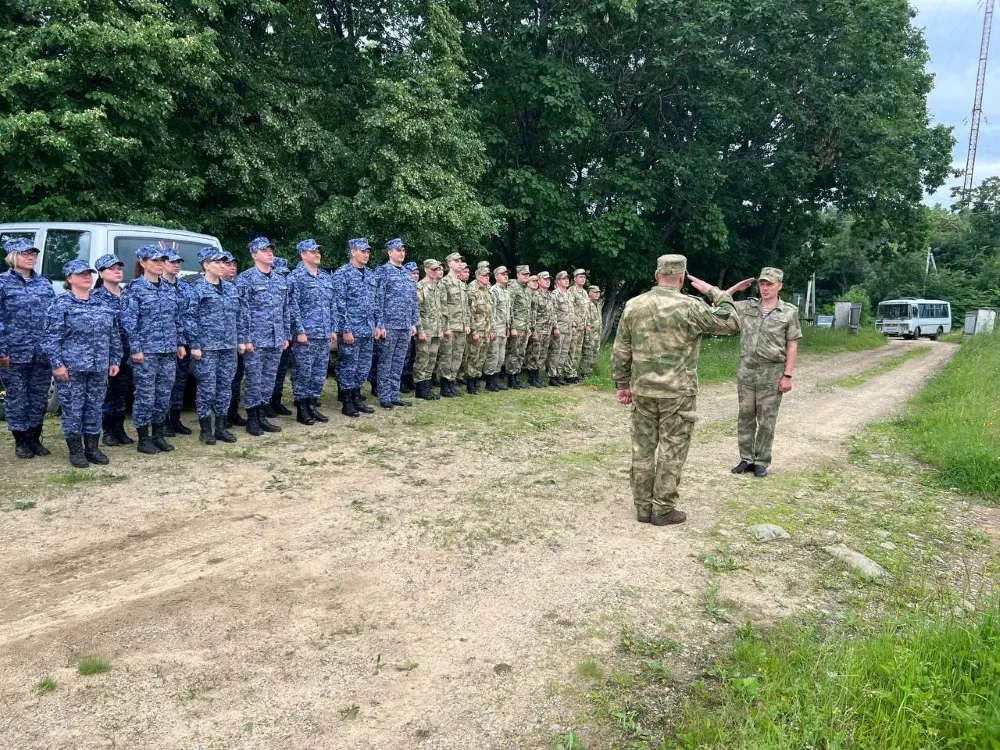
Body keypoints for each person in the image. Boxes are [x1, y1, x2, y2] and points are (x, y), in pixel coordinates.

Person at [612, 254, 741, 526]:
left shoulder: (634, 305)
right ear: (682, 277)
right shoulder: (690, 306)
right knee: (672, 451)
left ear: (656, 274)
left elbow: (621, 350)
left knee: (642, 450)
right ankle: (662, 509)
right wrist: (716, 293)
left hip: (644, 392)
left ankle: (643, 508)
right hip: (678, 393)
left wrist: (622, 384)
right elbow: (730, 322)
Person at [43, 259, 122, 468]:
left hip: (98, 367)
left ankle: (93, 448)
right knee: (73, 409)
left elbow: (113, 335)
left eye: (89, 273)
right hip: (72, 368)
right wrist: (57, 365)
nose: (87, 277)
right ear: (70, 279)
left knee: (95, 407)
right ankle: (76, 451)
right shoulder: (61, 304)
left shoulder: (102, 304)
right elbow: (51, 338)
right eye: (81, 274)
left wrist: (114, 359)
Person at [727, 267, 801, 478]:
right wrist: (735, 288)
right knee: (745, 416)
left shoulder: (788, 312)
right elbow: (720, 304)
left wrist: (787, 375)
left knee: (767, 419)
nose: (765, 288)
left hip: (772, 371)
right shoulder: (748, 307)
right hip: (747, 370)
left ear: (780, 286)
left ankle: (761, 461)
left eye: (770, 284)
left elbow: (792, 345)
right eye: (762, 284)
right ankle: (746, 459)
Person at [122, 244, 186, 454]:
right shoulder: (135, 289)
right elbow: (129, 322)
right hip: (146, 352)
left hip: (167, 351)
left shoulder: (169, 289)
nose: (160, 265)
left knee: (163, 394)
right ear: (143, 262)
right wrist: (136, 349)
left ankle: (158, 434)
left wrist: (179, 343)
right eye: (155, 261)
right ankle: (143, 438)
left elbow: (176, 319)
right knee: (146, 396)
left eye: (161, 261)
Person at [0, 237, 56, 459]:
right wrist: (2, 350)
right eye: (25, 253)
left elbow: (53, 318)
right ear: (13, 256)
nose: (31, 257)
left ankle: (35, 437)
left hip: (41, 352)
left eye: (33, 253)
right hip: (14, 351)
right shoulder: (3, 283)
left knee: (39, 396)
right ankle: (21, 441)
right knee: (16, 397)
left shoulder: (44, 283)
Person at [184, 247, 246, 444]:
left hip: (228, 346)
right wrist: (194, 345)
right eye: (217, 262)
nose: (222, 266)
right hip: (207, 347)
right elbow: (190, 318)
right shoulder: (196, 289)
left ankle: (221, 426)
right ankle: (205, 429)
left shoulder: (230, 288)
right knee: (207, 388)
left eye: (224, 262)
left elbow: (240, 317)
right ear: (206, 265)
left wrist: (241, 340)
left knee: (225, 387)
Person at [237, 237, 290, 436]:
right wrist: (245, 339)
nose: (269, 253)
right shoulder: (246, 278)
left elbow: (285, 310)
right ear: (254, 255)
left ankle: (262, 416)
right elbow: (242, 311)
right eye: (264, 250)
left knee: (269, 379)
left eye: (271, 249)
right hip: (255, 339)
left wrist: (285, 334)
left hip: (276, 338)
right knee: (254, 379)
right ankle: (252, 418)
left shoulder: (279, 279)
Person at [288, 239, 335, 424]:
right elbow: (293, 307)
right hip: (306, 335)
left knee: (319, 372)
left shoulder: (324, 277)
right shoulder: (295, 277)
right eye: (313, 251)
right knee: (303, 372)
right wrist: (299, 331)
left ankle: (312, 405)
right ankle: (301, 409)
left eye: (318, 251)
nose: (317, 254)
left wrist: (332, 328)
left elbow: (331, 304)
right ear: (303, 254)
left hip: (323, 334)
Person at [92, 254, 134, 447]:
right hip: (107, 353)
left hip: (129, 352)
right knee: (107, 392)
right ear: (101, 273)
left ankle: (119, 428)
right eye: (112, 269)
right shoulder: (96, 297)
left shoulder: (128, 294)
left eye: (119, 268)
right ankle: (108, 430)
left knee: (122, 392)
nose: (117, 272)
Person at [332, 238, 377, 417]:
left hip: (367, 329)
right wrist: (346, 329)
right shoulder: (342, 274)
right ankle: (347, 401)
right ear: (353, 252)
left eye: (368, 251)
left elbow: (374, 303)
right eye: (363, 251)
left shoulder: (370, 274)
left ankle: (357, 397)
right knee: (348, 365)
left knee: (363, 365)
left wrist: (376, 325)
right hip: (351, 329)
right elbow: (339, 304)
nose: (366, 254)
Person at [373, 238, 418, 409]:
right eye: (398, 250)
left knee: (399, 362)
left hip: (405, 325)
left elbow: (413, 300)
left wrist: (413, 322)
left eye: (403, 250)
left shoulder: (407, 273)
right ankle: (384, 395)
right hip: (389, 325)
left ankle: (394, 393)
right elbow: (378, 299)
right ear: (389, 252)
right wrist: (380, 324)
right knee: (386, 362)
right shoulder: (382, 271)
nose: (401, 253)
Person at [163, 250, 196, 437]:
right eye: (172, 262)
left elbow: (191, 313)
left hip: (185, 340)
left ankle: (175, 419)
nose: (176, 265)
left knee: (180, 382)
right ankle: (164, 420)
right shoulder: (160, 286)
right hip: (167, 342)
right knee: (166, 383)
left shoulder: (184, 287)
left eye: (178, 262)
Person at [435, 251, 469, 398]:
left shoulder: (462, 284)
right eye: (457, 261)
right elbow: (441, 306)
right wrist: (445, 327)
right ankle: (444, 385)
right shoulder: (444, 283)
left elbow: (465, 307)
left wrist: (467, 323)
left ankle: (452, 382)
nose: (460, 263)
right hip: (450, 327)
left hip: (461, 326)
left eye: (461, 261)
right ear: (449, 264)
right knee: (446, 357)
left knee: (457, 356)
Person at [221, 253, 247, 427]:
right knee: (222, 381)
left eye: (234, 264)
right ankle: (222, 416)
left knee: (236, 378)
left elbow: (242, 316)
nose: (232, 267)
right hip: (218, 343)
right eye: (227, 264)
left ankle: (233, 412)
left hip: (235, 341)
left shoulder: (236, 287)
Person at [413, 258, 444, 401]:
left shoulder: (437, 287)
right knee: (422, 359)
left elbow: (441, 310)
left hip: (436, 329)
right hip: (425, 330)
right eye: (433, 269)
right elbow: (416, 311)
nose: (435, 272)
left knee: (432, 359)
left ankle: (428, 386)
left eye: (437, 269)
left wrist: (442, 328)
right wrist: (420, 330)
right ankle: (420, 388)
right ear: (426, 269)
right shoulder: (420, 287)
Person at [267, 255, 294, 418]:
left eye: (285, 274)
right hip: (271, 335)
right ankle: (268, 403)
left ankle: (276, 401)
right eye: (280, 274)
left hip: (284, 334)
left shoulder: (286, 287)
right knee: (271, 373)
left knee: (281, 371)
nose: (283, 277)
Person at [464, 265, 494, 394]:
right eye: (484, 275)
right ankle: (470, 383)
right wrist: (474, 332)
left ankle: (477, 380)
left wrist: (492, 329)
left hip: (486, 330)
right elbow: (470, 312)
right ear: (477, 277)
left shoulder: (488, 290)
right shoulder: (472, 290)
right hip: (477, 330)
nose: (487, 278)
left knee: (481, 357)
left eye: (488, 276)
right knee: (472, 357)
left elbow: (490, 312)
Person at [484, 266, 513, 392]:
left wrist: (508, 326)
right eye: (503, 274)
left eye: (507, 274)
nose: (506, 276)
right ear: (496, 276)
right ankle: (489, 382)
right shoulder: (493, 291)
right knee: (493, 355)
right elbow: (491, 312)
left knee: (501, 357)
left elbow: (508, 312)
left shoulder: (506, 292)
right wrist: (492, 329)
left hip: (504, 328)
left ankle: (495, 380)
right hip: (496, 328)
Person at [503, 265, 532, 389]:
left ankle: (517, 376)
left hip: (525, 327)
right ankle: (511, 377)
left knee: (521, 353)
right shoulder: (513, 288)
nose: (526, 276)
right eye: (524, 274)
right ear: (518, 275)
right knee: (513, 353)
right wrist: (512, 327)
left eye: (528, 274)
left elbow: (528, 310)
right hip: (516, 327)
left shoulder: (527, 290)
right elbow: (510, 309)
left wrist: (529, 327)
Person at [525, 271, 554, 387]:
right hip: (538, 329)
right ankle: (532, 377)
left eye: (549, 279)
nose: (548, 281)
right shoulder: (535, 295)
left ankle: (538, 376)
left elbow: (553, 313)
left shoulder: (550, 295)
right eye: (545, 279)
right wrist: (533, 331)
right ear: (539, 280)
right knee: (534, 354)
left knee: (543, 354)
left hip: (547, 330)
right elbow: (532, 314)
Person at [546, 271, 573, 386]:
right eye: (563, 279)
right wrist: (555, 327)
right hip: (560, 328)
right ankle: (552, 376)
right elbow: (553, 312)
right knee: (556, 352)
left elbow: (572, 312)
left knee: (564, 353)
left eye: (567, 279)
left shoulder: (569, 294)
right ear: (558, 281)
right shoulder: (555, 294)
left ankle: (559, 374)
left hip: (568, 328)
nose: (566, 280)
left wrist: (574, 325)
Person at [566, 268, 590, 384]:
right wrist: (573, 325)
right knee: (572, 350)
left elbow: (586, 310)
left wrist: (587, 324)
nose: (583, 279)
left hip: (582, 326)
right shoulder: (571, 291)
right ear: (575, 278)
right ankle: (568, 374)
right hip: (574, 326)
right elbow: (570, 309)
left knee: (578, 351)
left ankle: (574, 372)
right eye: (580, 277)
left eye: (584, 277)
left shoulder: (584, 292)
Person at [399, 261, 420, 394]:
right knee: (403, 356)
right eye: (413, 272)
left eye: (417, 273)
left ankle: (408, 379)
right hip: (402, 326)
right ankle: (401, 382)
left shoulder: (416, 287)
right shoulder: (405, 286)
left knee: (412, 355)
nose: (416, 275)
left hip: (412, 326)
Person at [579, 285, 603, 377]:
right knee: (587, 353)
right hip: (590, 333)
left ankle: (590, 372)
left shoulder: (598, 304)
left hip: (597, 333)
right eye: (595, 292)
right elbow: (586, 318)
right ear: (589, 293)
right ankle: (584, 372)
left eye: (598, 292)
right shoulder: (587, 304)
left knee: (595, 353)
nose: (597, 294)